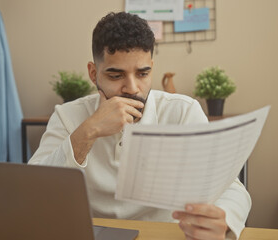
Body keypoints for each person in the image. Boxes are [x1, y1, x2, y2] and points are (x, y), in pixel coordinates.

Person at [29, 12, 251, 240]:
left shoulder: (182, 112)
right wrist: (89, 131)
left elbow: (232, 188)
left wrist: (223, 220)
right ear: (94, 74)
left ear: (151, 69)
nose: (132, 88)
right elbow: (32, 192)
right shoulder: (68, 116)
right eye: (116, 76)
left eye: (143, 74)